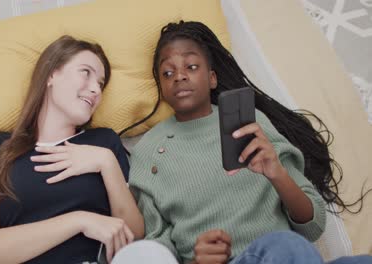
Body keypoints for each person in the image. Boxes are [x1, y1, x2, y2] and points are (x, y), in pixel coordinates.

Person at [124, 21, 372, 264]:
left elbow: (313, 226)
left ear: (212, 78)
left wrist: (278, 174)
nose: (179, 76)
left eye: (191, 66)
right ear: (161, 86)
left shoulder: (253, 123)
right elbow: (156, 251)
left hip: (285, 256)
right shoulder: (148, 152)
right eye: (168, 73)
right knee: (285, 244)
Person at [0, 35, 144, 264]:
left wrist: (107, 162)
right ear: (52, 74)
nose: (96, 90)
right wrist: (80, 221)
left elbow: (134, 235)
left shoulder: (104, 143)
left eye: (100, 84)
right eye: (86, 72)